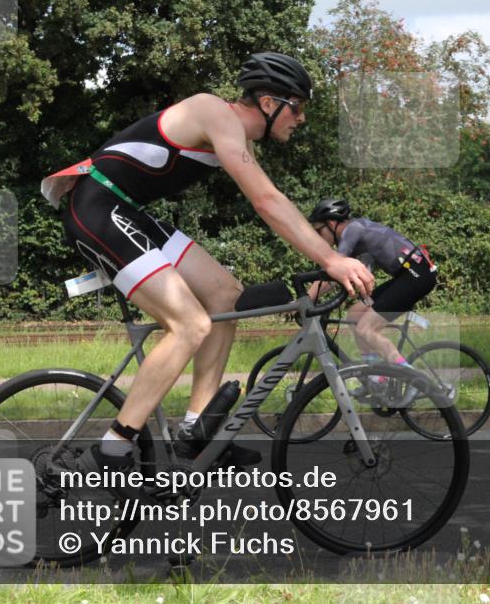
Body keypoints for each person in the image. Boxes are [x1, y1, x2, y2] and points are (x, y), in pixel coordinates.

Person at [40, 53, 375, 475]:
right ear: (270, 103)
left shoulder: (238, 138)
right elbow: (266, 201)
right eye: (298, 106)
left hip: (127, 211)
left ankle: (195, 434)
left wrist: (318, 269)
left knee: (224, 295)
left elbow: (274, 201)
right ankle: (114, 447)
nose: (302, 117)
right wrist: (331, 259)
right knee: (190, 323)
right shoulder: (213, 111)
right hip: (97, 207)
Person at [306, 198, 437, 377]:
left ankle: (415, 381)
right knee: (355, 315)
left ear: (331, 223)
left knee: (365, 328)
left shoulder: (352, 230)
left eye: (319, 231)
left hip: (416, 275)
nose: (319, 237)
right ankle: (376, 378)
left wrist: (307, 298)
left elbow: (332, 272)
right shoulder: (359, 231)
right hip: (409, 274)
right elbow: (354, 274)